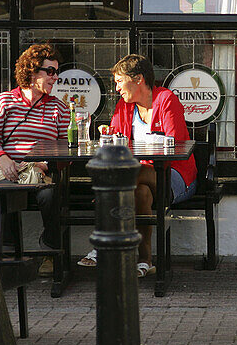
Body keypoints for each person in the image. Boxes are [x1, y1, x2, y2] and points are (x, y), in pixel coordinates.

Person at [79, 53, 196, 277]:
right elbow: (115, 139)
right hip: (139, 180)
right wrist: (108, 134)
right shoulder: (124, 106)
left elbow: (176, 148)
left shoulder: (166, 100)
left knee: (135, 173)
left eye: (120, 81)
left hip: (175, 175)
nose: (116, 89)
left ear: (138, 79)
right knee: (140, 193)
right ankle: (145, 262)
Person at [0, 43, 68, 252]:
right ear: (32, 71)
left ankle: (50, 250)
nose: (55, 77)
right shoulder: (4, 101)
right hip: (10, 169)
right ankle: (8, 252)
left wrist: (44, 164)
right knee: (5, 193)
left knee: (50, 195)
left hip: (41, 170)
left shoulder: (59, 107)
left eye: (57, 72)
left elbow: (66, 148)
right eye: (51, 71)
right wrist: (3, 159)